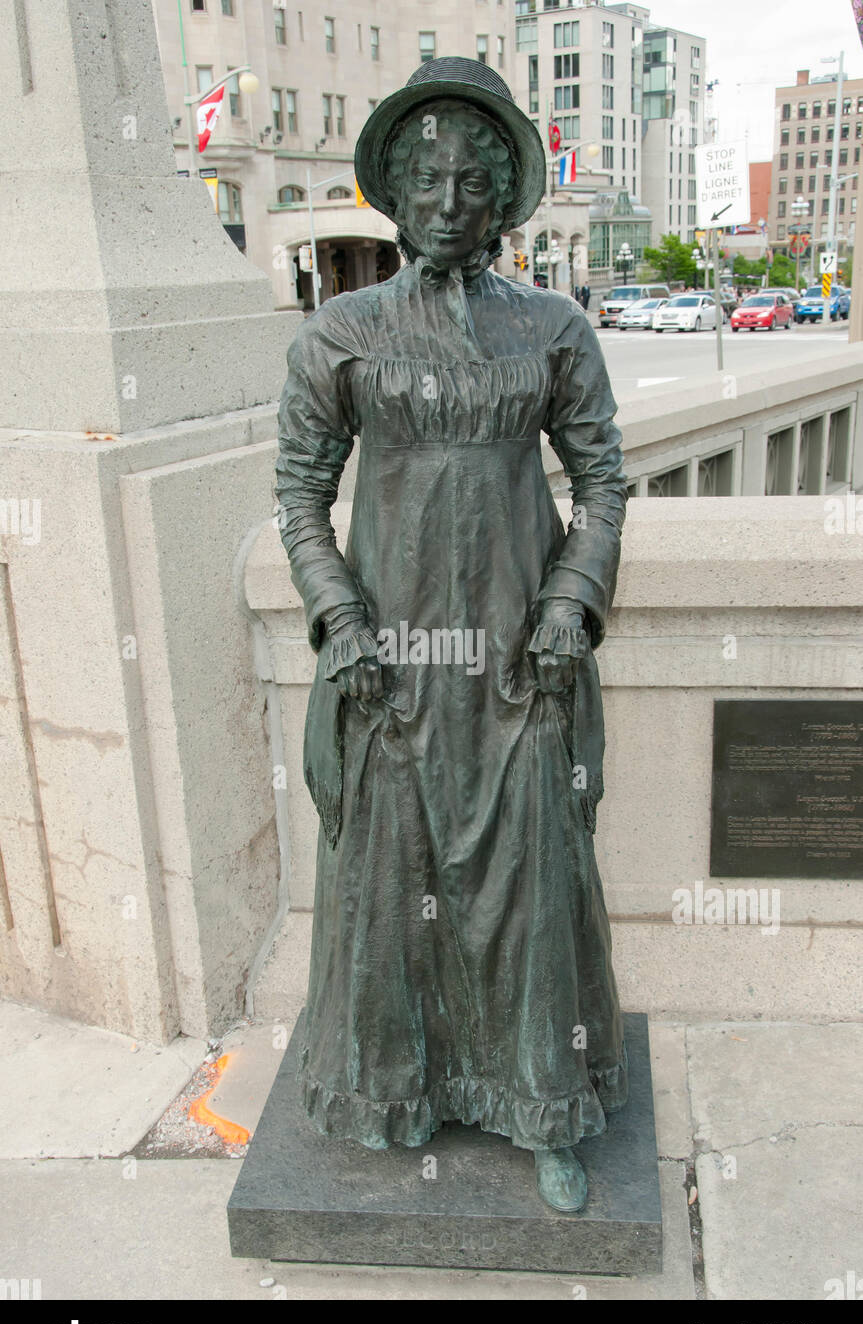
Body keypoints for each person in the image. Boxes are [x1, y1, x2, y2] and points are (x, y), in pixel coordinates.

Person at [274, 57, 628, 1214]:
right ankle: (402, 1092)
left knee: (528, 894)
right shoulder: (339, 333)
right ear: (394, 192)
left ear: (500, 198)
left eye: (468, 180)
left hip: (518, 665)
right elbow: (297, 493)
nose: (443, 200)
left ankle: (542, 1108)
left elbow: (603, 484)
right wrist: (337, 619)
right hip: (391, 666)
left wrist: (571, 602)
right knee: (392, 891)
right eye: (423, 178)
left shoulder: (555, 326)